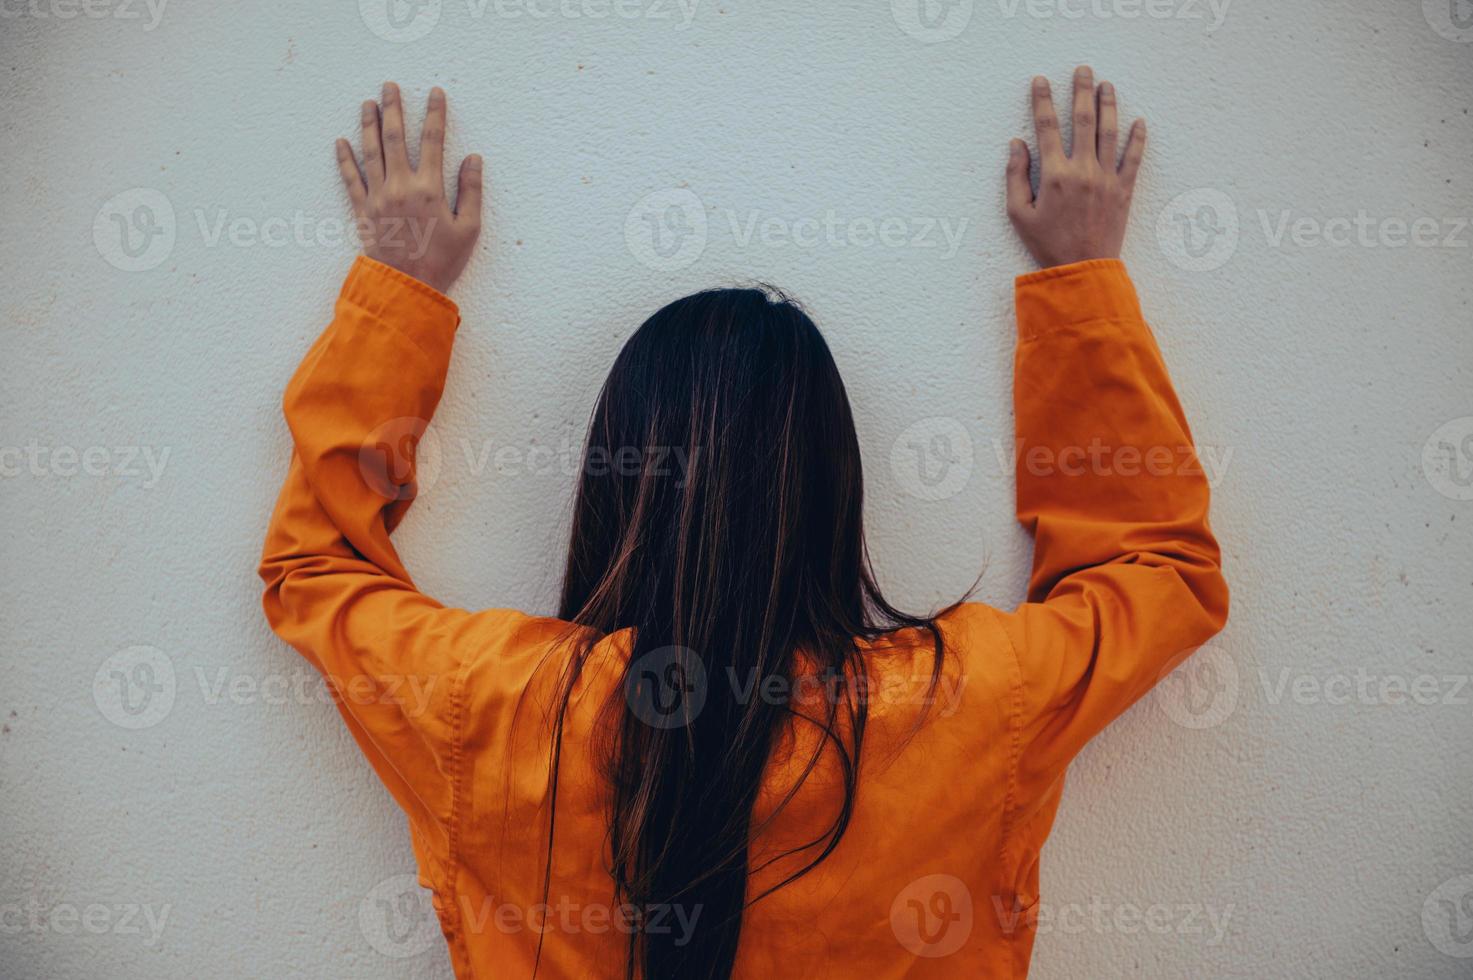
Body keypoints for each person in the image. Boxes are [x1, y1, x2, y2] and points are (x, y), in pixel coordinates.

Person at [259, 66, 1228, 979]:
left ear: (616, 476)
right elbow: (1159, 572)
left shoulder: (493, 704)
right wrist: (1084, 282)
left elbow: (313, 566)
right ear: (833, 486)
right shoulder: (967, 705)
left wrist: (403, 293)